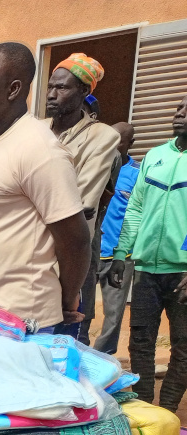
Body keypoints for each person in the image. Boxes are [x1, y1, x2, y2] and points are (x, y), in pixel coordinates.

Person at [0, 42, 91, 333]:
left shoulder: (38, 148)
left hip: (21, 324)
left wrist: (66, 299)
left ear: (13, 89)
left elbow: (75, 238)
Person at [112, 94, 187, 411]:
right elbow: (136, 208)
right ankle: (143, 406)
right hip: (145, 271)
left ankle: (167, 410)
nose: (179, 113)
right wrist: (121, 253)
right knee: (140, 342)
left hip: (183, 274)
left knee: (183, 348)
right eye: (179, 107)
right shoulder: (155, 156)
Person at [44, 54, 121, 339]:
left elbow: (83, 201)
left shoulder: (101, 137)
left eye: (62, 88)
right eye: (50, 86)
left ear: (84, 91)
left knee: (67, 340)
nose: (52, 95)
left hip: (68, 255)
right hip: (25, 258)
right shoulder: (34, 130)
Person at [95, 122, 138, 354]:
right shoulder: (96, 165)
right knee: (79, 310)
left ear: (130, 144)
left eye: (118, 139)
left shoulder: (137, 175)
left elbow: (139, 213)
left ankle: (102, 360)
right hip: (91, 252)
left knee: (113, 315)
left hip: (119, 256)